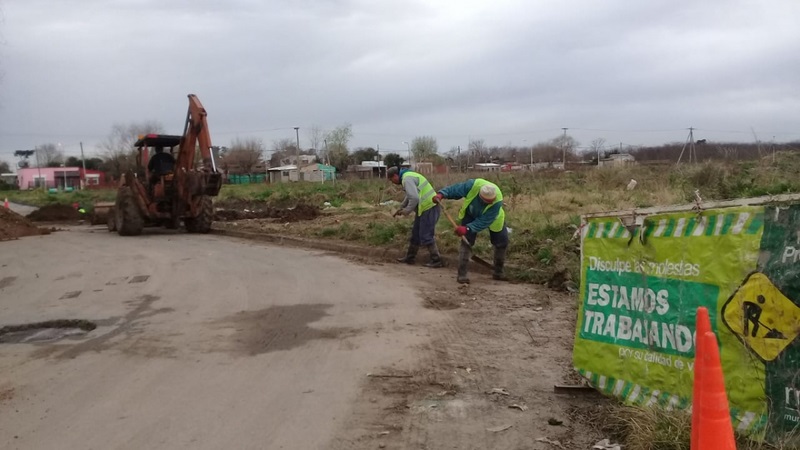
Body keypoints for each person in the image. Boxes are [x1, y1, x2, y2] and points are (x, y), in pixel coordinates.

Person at [433, 178, 508, 284]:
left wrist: (467, 228)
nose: (489, 203)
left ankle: (498, 272)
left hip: (493, 218)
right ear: (480, 197)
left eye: (490, 201)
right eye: (486, 202)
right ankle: (462, 275)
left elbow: (483, 221)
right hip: (471, 214)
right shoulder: (473, 185)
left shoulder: (497, 202)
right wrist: (441, 194)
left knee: (502, 242)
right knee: (466, 242)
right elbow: (456, 189)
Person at [387, 166, 443, 268]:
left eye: (391, 180)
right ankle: (410, 258)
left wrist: (406, 211)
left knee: (426, 235)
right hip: (425, 208)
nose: (392, 182)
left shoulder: (406, 179)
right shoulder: (408, 175)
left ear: (395, 176)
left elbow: (414, 198)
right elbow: (410, 195)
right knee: (416, 234)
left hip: (429, 207)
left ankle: (436, 260)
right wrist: (401, 207)